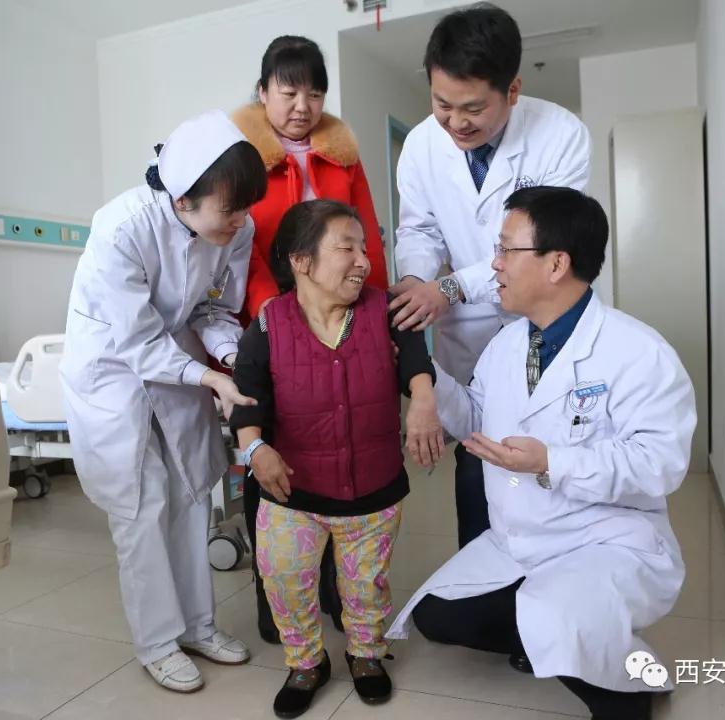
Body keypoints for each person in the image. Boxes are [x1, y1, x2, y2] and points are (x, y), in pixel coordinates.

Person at [387, 186, 696, 720]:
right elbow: (477, 419)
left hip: (605, 540)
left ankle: (630, 686)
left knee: (556, 618)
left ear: (556, 264)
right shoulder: (508, 345)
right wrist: (423, 377)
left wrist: (551, 462)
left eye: (507, 250)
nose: (495, 264)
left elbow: (659, 464)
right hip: (522, 540)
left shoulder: (638, 352)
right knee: (437, 617)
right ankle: (569, 632)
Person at [59, 110, 268, 694]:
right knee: (142, 502)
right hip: (111, 368)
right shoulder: (122, 227)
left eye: (245, 207)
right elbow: (137, 339)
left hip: (178, 360)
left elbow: (213, 308)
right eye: (230, 210)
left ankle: (198, 626)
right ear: (182, 199)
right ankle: (156, 642)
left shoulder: (236, 229)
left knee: (191, 493)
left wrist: (231, 359)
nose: (241, 221)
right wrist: (206, 378)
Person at [388, 2, 592, 549]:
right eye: (442, 104)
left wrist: (449, 287)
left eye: (473, 107)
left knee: (546, 466)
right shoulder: (422, 146)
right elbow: (419, 229)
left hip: (543, 321)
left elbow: (542, 244)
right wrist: (415, 282)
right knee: (478, 465)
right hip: (469, 333)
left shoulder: (560, 135)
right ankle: (483, 579)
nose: (456, 122)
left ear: (513, 89)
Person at [230, 200, 443, 718]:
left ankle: (365, 654)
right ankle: (306, 663)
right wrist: (256, 450)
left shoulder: (385, 311)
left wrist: (423, 401)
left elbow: (415, 362)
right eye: (347, 248)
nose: (363, 262)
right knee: (285, 580)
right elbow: (247, 399)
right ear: (301, 261)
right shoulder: (268, 324)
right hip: (292, 491)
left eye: (365, 248)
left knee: (366, 585)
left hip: (373, 487)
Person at [231, 35, 390, 644]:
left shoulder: (342, 156)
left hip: (339, 317)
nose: (303, 105)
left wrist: (374, 315)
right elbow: (240, 248)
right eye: (289, 91)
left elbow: (365, 241)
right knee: (270, 451)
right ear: (263, 91)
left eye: (315, 93)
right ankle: (277, 602)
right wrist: (268, 318)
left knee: (335, 442)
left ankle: (335, 590)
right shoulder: (242, 155)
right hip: (270, 318)